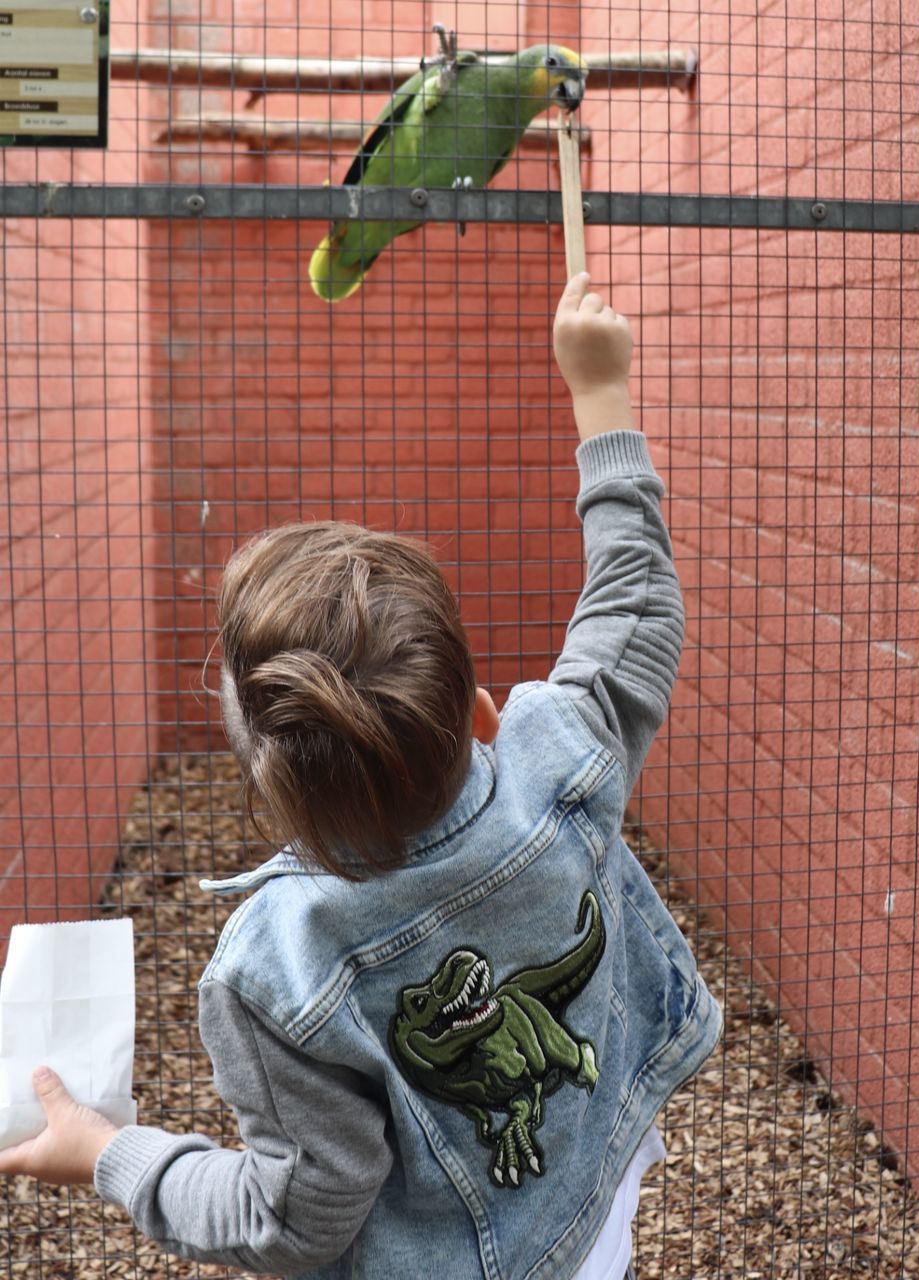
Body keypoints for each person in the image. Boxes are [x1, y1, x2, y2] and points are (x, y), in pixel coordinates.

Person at [0, 274, 722, 1280]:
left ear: (268, 789)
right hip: (591, 1201)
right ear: (482, 715)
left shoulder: (276, 962)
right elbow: (634, 604)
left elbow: (293, 1219)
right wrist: (601, 397)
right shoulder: (560, 756)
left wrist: (116, 1154)